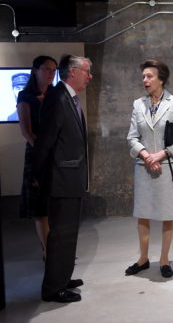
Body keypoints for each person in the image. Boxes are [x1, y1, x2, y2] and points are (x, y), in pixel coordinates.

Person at [33, 55, 92, 303]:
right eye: (87, 72)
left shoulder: (68, 97)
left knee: (68, 233)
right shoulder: (58, 98)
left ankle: (62, 277)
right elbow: (45, 141)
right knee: (60, 235)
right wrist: (38, 175)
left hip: (70, 178)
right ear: (73, 72)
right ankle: (52, 288)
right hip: (61, 179)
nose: (90, 76)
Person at [126, 59, 173, 278]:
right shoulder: (138, 104)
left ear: (161, 79)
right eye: (143, 76)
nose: (144, 80)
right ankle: (143, 259)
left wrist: (161, 154)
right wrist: (145, 155)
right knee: (142, 215)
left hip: (167, 166)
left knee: (166, 215)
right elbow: (132, 137)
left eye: (149, 76)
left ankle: (164, 260)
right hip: (144, 167)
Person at [17, 56, 57, 260]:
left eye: (53, 70)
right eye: (47, 69)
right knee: (40, 207)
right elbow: (27, 132)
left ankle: (53, 249)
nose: (51, 74)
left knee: (53, 203)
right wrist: (43, 152)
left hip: (55, 154)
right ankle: (47, 251)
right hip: (37, 155)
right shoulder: (26, 96)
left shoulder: (54, 94)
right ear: (35, 70)